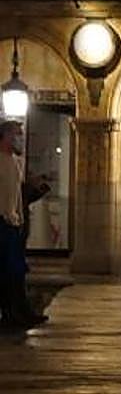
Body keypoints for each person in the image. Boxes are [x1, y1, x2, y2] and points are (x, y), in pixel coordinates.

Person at [0, 120, 45, 330]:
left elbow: (17, 195)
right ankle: (9, 314)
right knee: (6, 271)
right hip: (2, 223)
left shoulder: (15, 162)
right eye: (17, 134)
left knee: (17, 271)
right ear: (6, 136)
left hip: (14, 224)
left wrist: (19, 218)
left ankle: (21, 311)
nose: (20, 139)